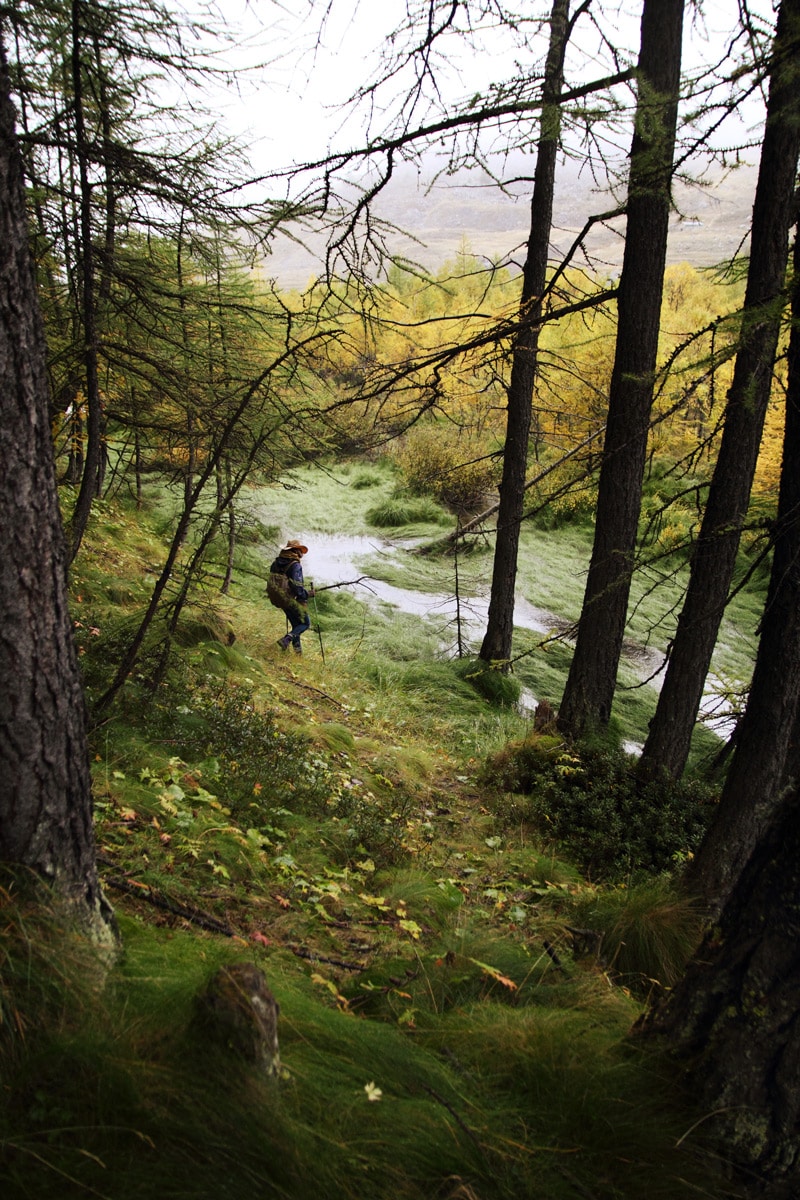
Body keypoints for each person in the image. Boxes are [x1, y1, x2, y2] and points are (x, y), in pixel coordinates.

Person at [267, 539, 315, 654]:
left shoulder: (276, 563)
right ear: (295, 551)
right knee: (305, 623)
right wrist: (307, 594)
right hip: (291, 600)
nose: (302, 554)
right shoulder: (295, 565)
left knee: (296, 626)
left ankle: (298, 654)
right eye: (300, 550)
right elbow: (297, 587)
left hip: (280, 599)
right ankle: (286, 639)